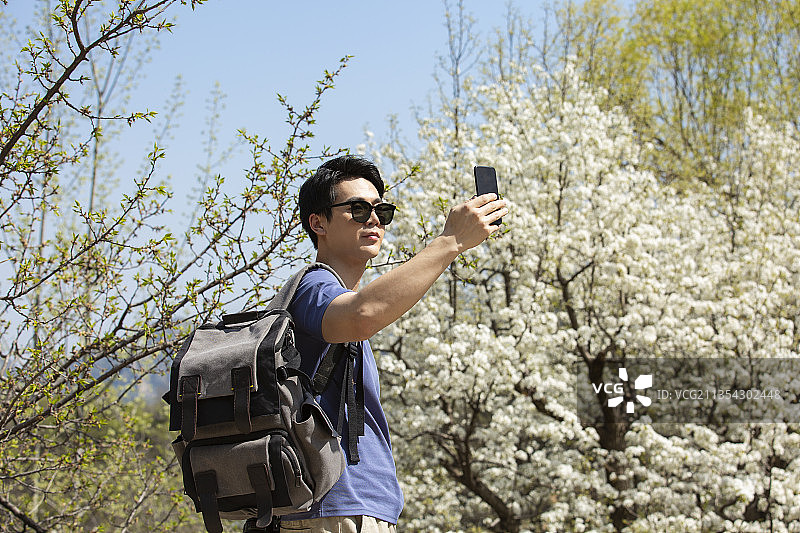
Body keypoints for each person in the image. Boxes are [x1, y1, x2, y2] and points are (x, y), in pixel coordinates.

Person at [279, 155, 507, 533]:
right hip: (332, 509)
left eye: (381, 211)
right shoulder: (312, 287)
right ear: (317, 223)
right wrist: (450, 242)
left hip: (356, 508)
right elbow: (362, 314)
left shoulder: (336, 294)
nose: (373, 219)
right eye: (357, 209)